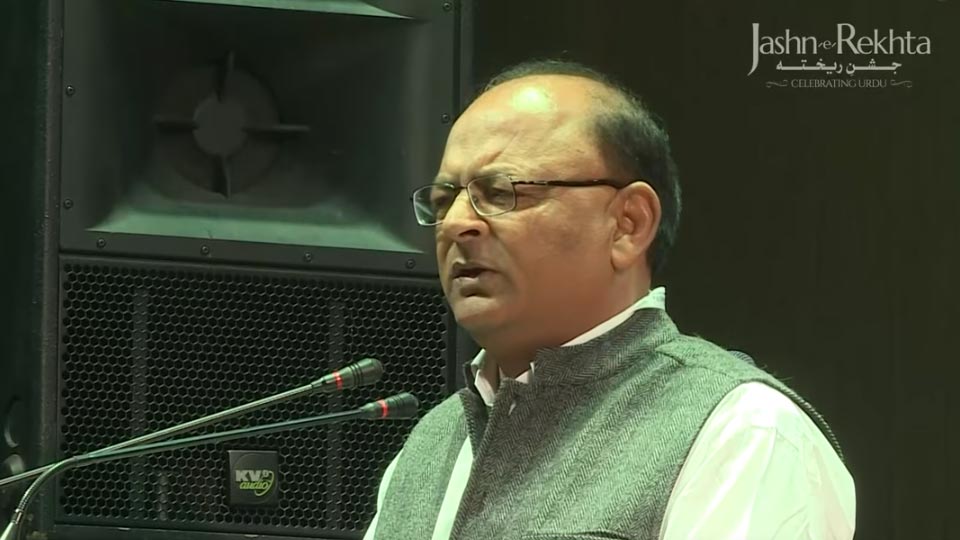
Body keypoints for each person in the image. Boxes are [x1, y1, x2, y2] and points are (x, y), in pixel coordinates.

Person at [363, 59, 855, 540]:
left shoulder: (741, 430)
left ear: (628, 224)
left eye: (500, 192)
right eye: (444, 200)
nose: (454, 223)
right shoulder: (429, 446)